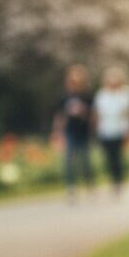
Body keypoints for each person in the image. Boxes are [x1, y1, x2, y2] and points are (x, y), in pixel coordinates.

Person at [53, 64, 95, 203]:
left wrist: (83, 112)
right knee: (69, 161)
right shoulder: (64, 97)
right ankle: (71, 186)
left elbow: (93, 115)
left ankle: (90, 184)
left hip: (84, 132)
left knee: (86, 161)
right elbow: (59, 116)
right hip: (70, 132)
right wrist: (57, 132)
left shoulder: (87, 96)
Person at [95, 66, 129, 196]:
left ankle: (119, 182)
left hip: (120, 130)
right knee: (109, 158)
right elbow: (98, 113)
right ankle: (113, 181)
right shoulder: (102, 94)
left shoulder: (126, 93)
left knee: (118, 157)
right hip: (105, 130)